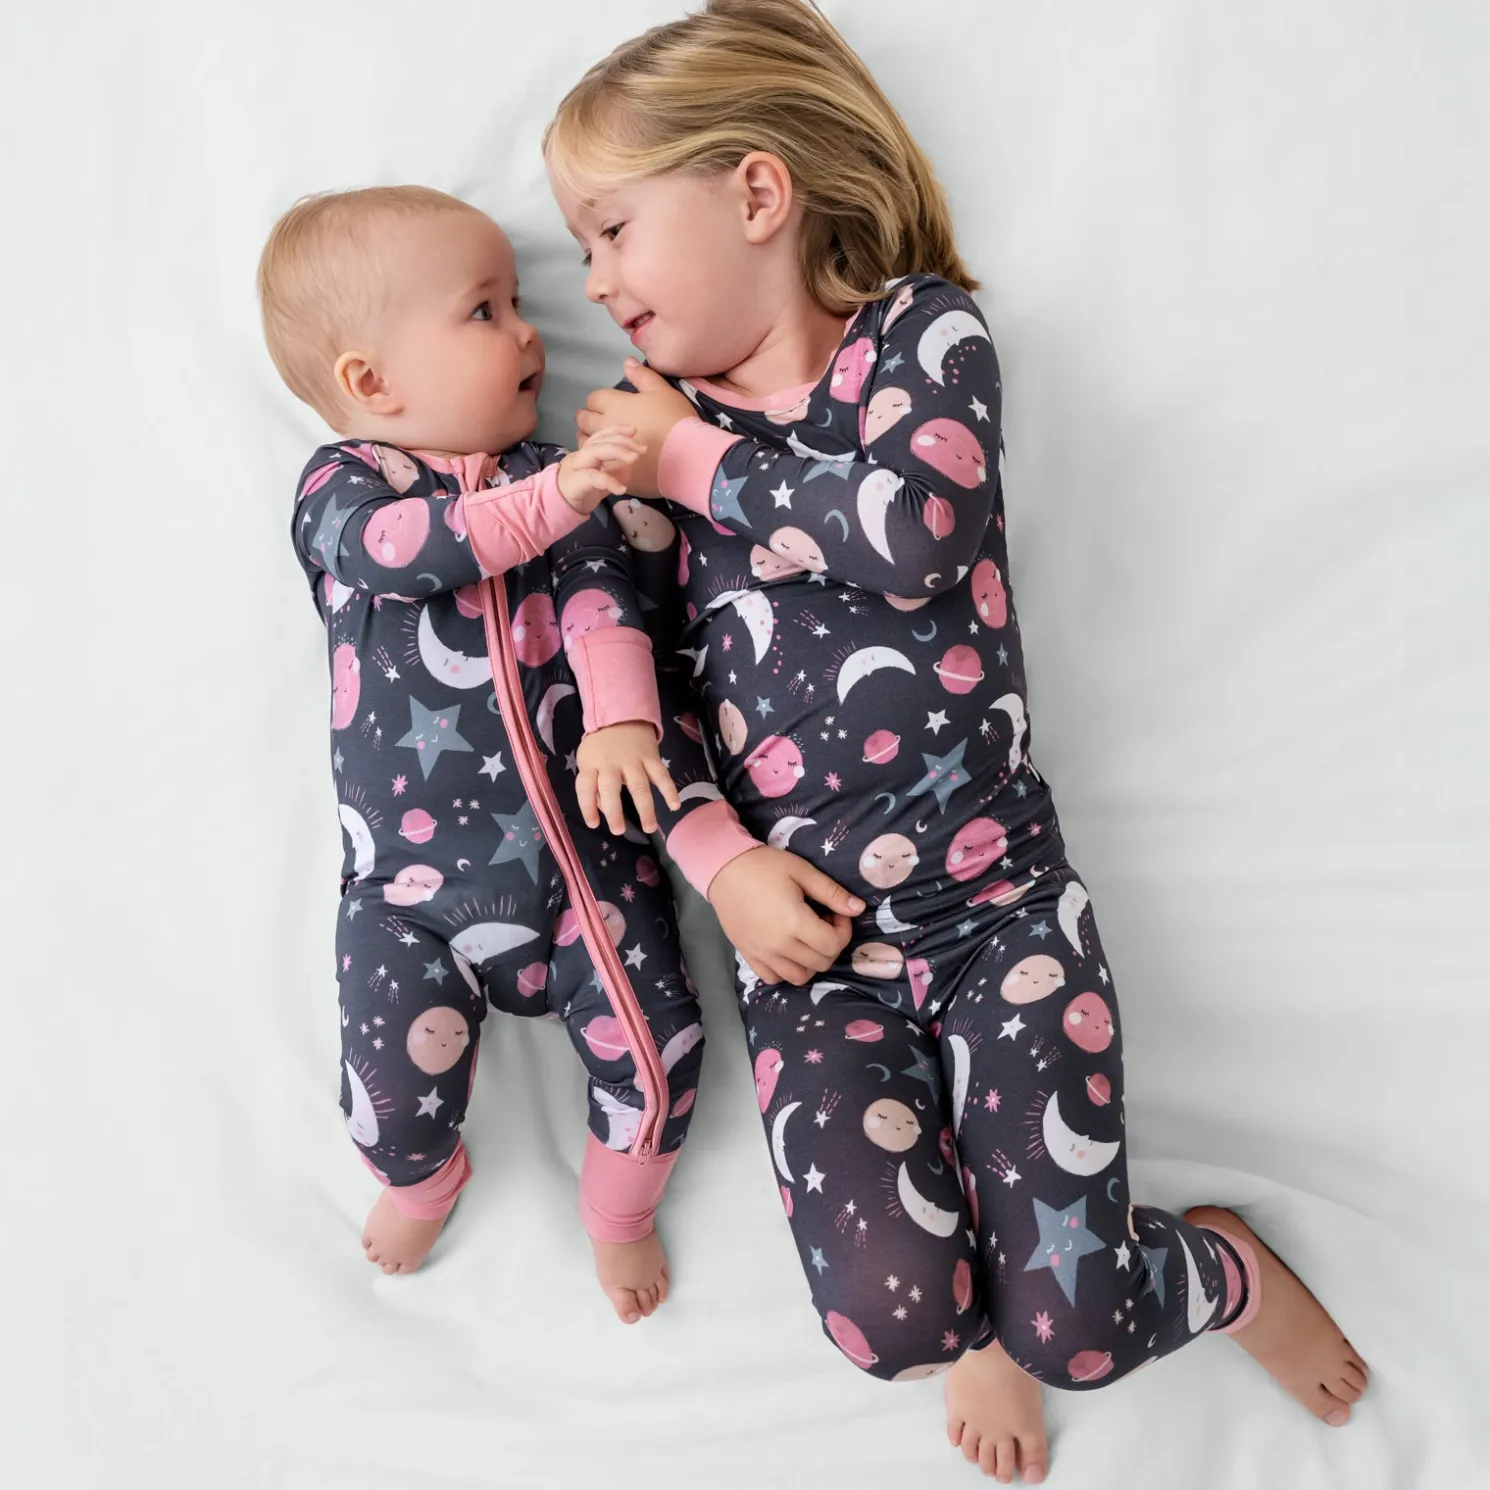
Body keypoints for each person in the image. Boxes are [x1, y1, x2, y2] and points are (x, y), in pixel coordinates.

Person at [544, 1, 1369, 1477]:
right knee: (887, 1323)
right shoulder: (637, 441)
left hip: (1001, 913)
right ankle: (977, 1306)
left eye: (610, 230)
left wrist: (688, 455)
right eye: (580, 247)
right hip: (812, 954)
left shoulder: (914, 337)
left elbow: (913, 532)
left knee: (1083, 1331)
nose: (593, 281)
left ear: (755, 190)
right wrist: (718, 861)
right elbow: (627, 704)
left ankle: (1222, 1271)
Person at [258, 185, 710, 1324]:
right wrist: (559, 495)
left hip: (585, 878)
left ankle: (617, 1209)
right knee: (385, 1102)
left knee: (662, 1061)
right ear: (372, 382)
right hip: (411, 896)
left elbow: (605, 608)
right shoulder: (346, 489)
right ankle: (425, 1179)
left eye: (517, 302)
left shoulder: (560, 479)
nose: (528, 332)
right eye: (484, 310)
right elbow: (412, 552)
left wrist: (621, 722)